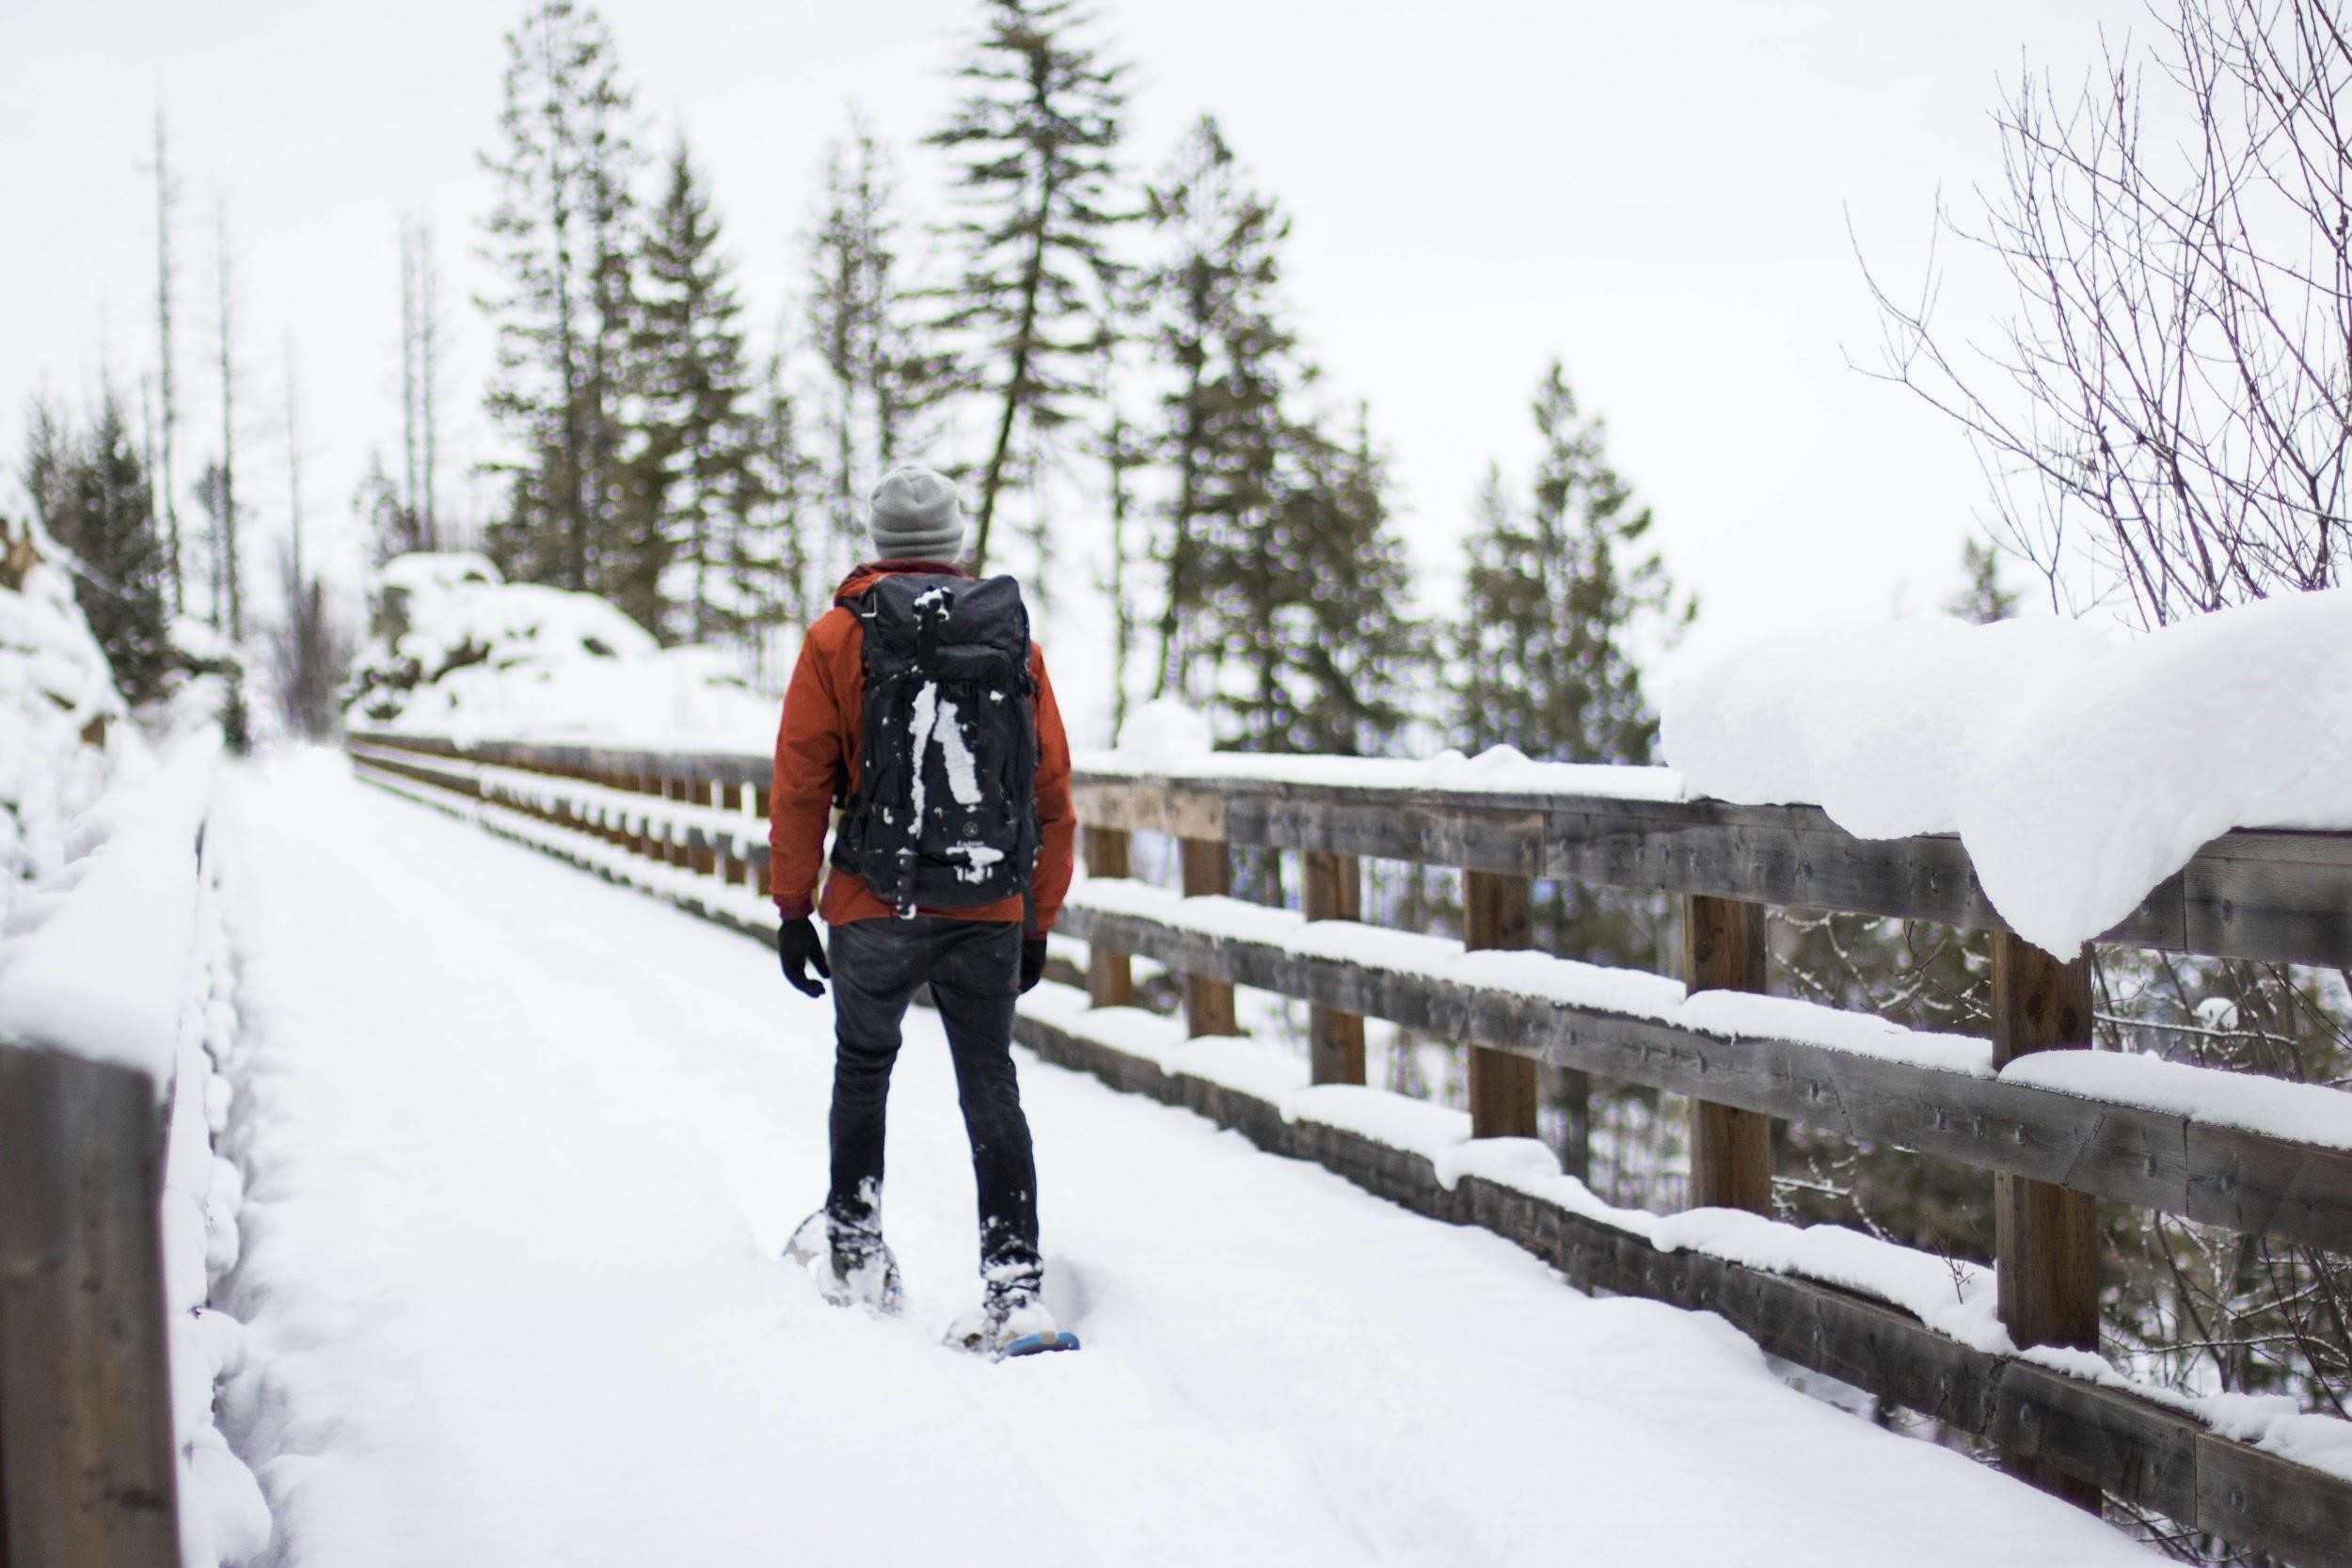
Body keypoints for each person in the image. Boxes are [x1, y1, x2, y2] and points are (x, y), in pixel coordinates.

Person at [767, 465, 1075, 1356]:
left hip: (874, 899)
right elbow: (1051, 790)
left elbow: (800, 783)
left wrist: (794, 907)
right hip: (989, 902)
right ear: (950, 542)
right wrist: (1037, 915)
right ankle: (1015, 1291)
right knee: (991, 1083)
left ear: (877, 539)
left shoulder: (836, 636)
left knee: (864, 1066)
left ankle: (856, 1252)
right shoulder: (1010, 636)